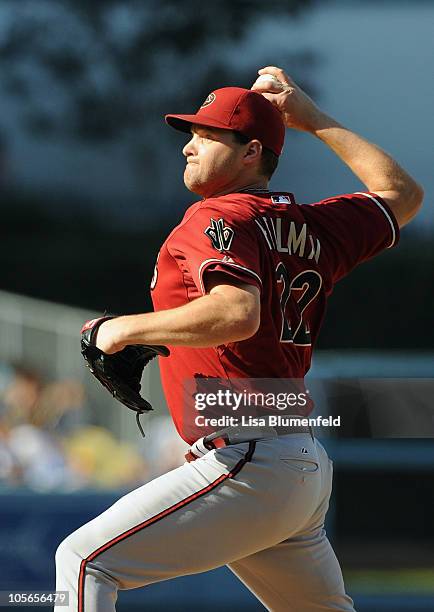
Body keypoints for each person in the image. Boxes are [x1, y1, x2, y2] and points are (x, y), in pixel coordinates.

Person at [55, 66, 423, 611]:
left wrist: (118, 329)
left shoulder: (217, 213)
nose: (189, 147)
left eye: (207, 135)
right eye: (191, 135)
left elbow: (237, 311)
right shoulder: (316, 225)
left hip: (250, 458)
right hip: (297, 465)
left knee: (84, 562)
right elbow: (402, 194)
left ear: (251, 152)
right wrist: (314, 120)